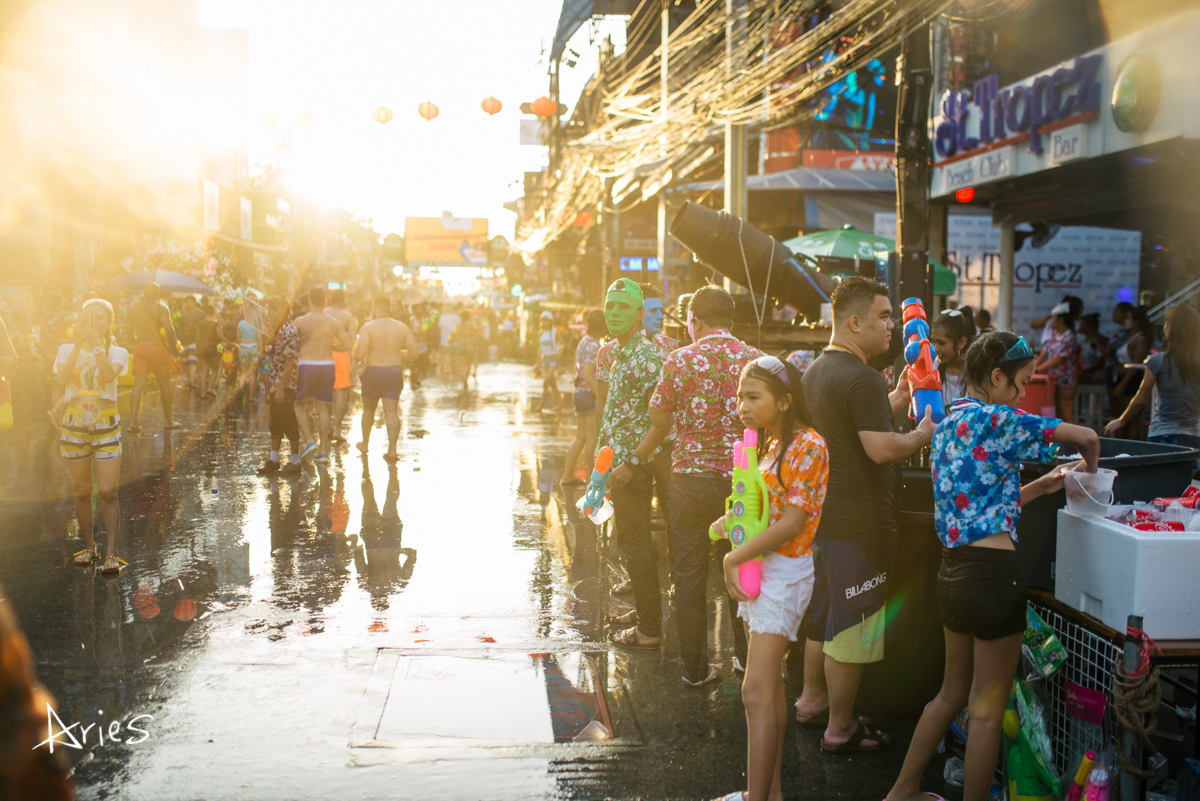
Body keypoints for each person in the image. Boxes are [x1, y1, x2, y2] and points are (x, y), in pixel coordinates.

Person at [886, 330, 1099, 801]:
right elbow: (1085, 435)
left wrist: (1042, 486)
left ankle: (901, 792)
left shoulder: (948, 420)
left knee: (950, 694)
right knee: (986, 709)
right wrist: (1093, 472)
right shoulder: (1000, 419)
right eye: (1020, 383)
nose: (1023, 395)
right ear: (996, 376)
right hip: (995, 577)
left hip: (953, 573)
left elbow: (976, 503)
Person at [795, 277, 934, 754]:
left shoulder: (819, 370)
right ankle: (840, 727)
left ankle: (811, 702)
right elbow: (879, 447)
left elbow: (854, 423)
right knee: (852, 627)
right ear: (855, 322)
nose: (892, 325)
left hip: (825, 518)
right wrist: (920, 434)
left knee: (824, 617)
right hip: (861, 525)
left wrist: (895, 396)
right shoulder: (860, 377)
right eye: (883, 316)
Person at [620, 285, 763, 684]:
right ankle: (745, 659)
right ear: (730, 321)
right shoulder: (754, 360)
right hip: (742, 481)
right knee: (744, 568)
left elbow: (659, 416)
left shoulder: (679, 359)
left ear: (693, 320)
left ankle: (695, 669)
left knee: (688, 575)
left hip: (689, 479)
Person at [714, 355, 828, 801]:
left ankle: (754, 797)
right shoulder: (766, 444)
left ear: (784, 401)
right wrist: (730, 520)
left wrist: (731, 559)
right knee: (769, 688)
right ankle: (771, 793)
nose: (742, 404)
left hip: (783, 574)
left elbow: (794, 521)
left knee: (755, 689)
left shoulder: (808, 444)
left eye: (753, 396)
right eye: (740, 395)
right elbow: (765, 508)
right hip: (759, 568)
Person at [596, 279, 665, 651]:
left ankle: (650, 629)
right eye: (610, 306)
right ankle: (642, 613)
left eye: (623, 307)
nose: (615, 314)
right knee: (630, 543)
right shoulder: (619, 352)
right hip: (619, 466)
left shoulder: (648, 356)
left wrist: (633, 462)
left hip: (635, 468)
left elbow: (662, 419)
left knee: (635, 544)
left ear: (640, 314)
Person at [54, 299, 130, 574]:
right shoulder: (65, 349)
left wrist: (97, 344)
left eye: (98, 318)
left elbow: (108, 375)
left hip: (106, 424)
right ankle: (89, 546)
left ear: (109, 323)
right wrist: (77, 346)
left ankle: (112, 551)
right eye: (87, 318)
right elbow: (62, 380)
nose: (92, 322)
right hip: (74, 424)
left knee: (108, 491)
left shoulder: (118, 351)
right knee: (82, 490)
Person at [1105, 304, 1200, 453]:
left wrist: (1122, 420)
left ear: (1172, 329)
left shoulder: (1158, 360)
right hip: (1195, 437)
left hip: (1163, 435)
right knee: (1190, 476)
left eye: (1167, 323)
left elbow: (1142, 398)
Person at [293, 288, 353, 464]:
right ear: (325, 301)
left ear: (310, 300)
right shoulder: (333, 322)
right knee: (324, 408)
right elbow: (348, 344)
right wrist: (329, 346)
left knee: (299, 405)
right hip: (327, 365)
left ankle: (310, 441)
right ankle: (324, 452)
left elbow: (291, 342)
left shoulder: (300, 321)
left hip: (307, 364)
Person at [355, 296, 418, 461]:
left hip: (373, 371)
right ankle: (392, 450)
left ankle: (365, 444)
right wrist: (397, 353)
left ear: (376, 308)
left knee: (368, 409)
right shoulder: (402, 328)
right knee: (392, 411)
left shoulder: (367, 327)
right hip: (394, 371)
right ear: (389, 308)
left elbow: (359, 355)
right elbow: (414, 354)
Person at [126, 282, 179, 431]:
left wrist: (139, 343)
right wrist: (172, 346)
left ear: (144, 292)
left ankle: (133, 422)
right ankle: (168, 421)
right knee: (164, 385)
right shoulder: (161, 308)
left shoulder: (133, 309)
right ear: (157, 294)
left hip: (141, 346)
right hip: (158, 347)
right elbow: (169, 330)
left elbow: (129, 334)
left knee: (138, 385)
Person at [562, 309, 605, 485]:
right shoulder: (594, 345)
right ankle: (590, 479)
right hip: (588, 393)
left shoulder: (583, 342)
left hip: (578, 392)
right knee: (590, 439)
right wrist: (600, 397)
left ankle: (566, 476)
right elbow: (588, 374)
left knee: (580, 438)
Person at [259, 297, 301, 475]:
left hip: (286, 385)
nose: (269, 314)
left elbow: (290, 361)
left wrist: (282, 388)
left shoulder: (289, 331)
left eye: (271, 310)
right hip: (277, 383)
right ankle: (274, 460)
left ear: (279, 311)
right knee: (275, 423)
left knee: (288, 421)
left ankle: (295, 461)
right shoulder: (280, 331)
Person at [1033, 301, 1082, 424]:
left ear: (1061, 320)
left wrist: (1037, 370)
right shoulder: (1055, 334)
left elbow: (1057, 359)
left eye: (1054, 318)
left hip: (1066, 382)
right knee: (1056, 417)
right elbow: (1045, 353)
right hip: (1052, 381)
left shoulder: (1070, 337)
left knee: (1066, 416)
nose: (1051, 321)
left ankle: (1073, 443)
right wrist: (1032, 368)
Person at [1110, 305, 1153, 438]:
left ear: (1136, 321)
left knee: (1131, 420)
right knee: (1119, 417)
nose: (1125, 320)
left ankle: (1131, 453)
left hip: (1130, 381)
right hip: (1121, 379)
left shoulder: (1141, 339)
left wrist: (1123, 384)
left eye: (1128, 318)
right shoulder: (1128, 337)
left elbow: (1136, 365)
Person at [326, 289, 358, 442]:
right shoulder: (347, 316)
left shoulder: (323, 312)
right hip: (341, 356)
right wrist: (339, 345)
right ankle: (337, 429)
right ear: (344, 300)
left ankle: (325, 426)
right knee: (340, 393)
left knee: (323, 392)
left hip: (323, 355)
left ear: (330, 299)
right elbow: (352, 338)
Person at [931, 307, 976, 405]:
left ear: (961, 342)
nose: (935, 348)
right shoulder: (933, 368)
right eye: (934, 341)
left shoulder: (975, 372)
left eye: (941, 343)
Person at [639, 283, 677, 357]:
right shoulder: (614, 349)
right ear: (638, 312)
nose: (661, 316)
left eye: (661, 311)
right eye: (653, 310)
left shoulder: (669, 344)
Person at [535, 313, 561, 412]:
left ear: (550, 322)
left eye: (546, 320)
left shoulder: (555, 332)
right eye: (543, 321)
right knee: (552, 384)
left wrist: (560, 351)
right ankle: (559, 404)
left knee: (546, 382)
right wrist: (538, 363)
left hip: (553, 359)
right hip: (545, 360)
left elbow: (562, 344)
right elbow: (539, 349)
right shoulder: (540, 333)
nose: (544, 323)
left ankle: (541, 405)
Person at [237, 308, 263, 401]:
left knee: (243, 371)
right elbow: (259, 338)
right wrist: (260, 351)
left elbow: (238, 338)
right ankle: (251, 397)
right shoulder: (257, 324)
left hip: (243, 346)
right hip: (253, 346)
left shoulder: (240, 323)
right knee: (252, 374)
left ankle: (240, 388)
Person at [196, 300, 221, 398]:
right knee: (215, 369)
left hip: (201, 349)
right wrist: (230, 342)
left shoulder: (200, 323)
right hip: (212, 349)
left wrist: (197, 348)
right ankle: (210, 388)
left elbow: (197, 337)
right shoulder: (215, 324)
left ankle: (203, 393)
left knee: (204, 370)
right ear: (213, 312)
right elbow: (221, 336)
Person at [449, 313, 480, 390]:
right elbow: (476, 334)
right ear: (469, 316)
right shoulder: (471, 324)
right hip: (469, 344)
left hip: (461, 344)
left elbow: (457, 336)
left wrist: (451, 341)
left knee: (461, 363)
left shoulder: (459, 325)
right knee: (468, 364)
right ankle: (466, 377)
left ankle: (463, 377)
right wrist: (473, 340)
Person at [179, 295, 202, 389]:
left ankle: (191, 381)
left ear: (194, 303)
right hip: (183, 340)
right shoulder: (181, 314)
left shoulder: (200, 314)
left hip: (194, 340)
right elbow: (178, 326)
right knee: (185, 362)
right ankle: (189, 379)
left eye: (190, 302)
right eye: (186, 302)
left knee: (193, 360)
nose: (188, 304)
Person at [436, 303, 461, 377]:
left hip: (444, 339)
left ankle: (447, 369)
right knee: (453, 355)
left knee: (445, 354)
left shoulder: (442, 318)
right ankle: (453, 368)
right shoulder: (457, 317)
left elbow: (439, 327)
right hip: (454, 339)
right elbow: (459, 328)